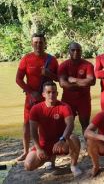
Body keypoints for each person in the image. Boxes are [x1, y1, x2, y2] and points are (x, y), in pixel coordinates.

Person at [24, 81, 82, 177]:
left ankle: (74, 165)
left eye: (54, 92)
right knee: (28, 166)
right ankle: (48, 159)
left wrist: (62, 139)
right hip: (44, 144)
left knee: (74, 138)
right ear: (43, 94)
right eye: (48, 92)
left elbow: (70, 125)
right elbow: (33, 131)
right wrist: (38, 148)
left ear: (57, 94)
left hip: (61, 142)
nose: (51, 95)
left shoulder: (64, 107)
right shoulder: (36, 109)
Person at [15, 33, 58, 161]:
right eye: (36, 42)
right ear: (32, 44)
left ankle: (47, 152)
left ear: (45, 44)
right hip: (31, 98)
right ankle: (25, 151)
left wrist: (49, 73)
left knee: (47, 126)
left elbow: (59, 79)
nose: (38, 44)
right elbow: (18, 79)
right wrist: (30, 92)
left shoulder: (52, 60)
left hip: (47, 99)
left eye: (41, 42)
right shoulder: (26, 59)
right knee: (27, 125)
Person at [58, 42, 96, 134]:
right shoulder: (63, 65)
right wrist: (82, 83)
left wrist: (73, 79)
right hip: (68, 100)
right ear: (69, 51)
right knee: (66, 125)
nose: (76, 52)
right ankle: (67, 146)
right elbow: (63, 84)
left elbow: (91, 81)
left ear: (81, 51)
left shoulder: (88, 65)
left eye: (78, 50)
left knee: (85, 124)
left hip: (84, 100)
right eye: (73, 50)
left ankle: (87, 147)